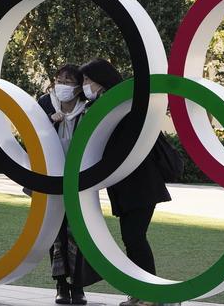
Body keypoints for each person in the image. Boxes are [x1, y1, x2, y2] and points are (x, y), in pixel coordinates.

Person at [79, 58, 175, 306]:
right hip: (124, 184)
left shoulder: (124, 105)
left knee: (134, 236)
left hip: (140, 182)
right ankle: (141, 291)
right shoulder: (101, 106)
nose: (84, 85)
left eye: (88, 80)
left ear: (101, 80)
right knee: (132, 237)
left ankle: (151, 293)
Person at [37, 63, 100, 305]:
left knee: (79, 232)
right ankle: (61, 284)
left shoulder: (88, 108)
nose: (63, 85)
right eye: (59, 79)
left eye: (69, 80)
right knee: (56, 232)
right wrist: (50, 122)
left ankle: (79, 286)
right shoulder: (44, 104)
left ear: (77, 87)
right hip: (52, 178)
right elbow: (32, 136)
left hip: (80, 180)